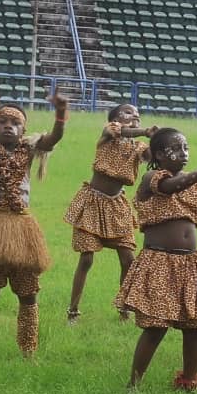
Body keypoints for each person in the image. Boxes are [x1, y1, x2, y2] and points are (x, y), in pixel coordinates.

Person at [117, 128, 197, 390]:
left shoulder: (196, 180)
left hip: (191, 263)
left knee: (196, 327)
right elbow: (173, 186)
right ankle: (133, 384)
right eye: (175, 149)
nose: (183, 153)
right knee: (156, 327)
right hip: (159, 263)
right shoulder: (152, 178)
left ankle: (189, 381)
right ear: (157, 154)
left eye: (186, 148)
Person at [0, 95, 66, 360]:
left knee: (28, 292)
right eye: (2, 121)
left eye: (15, 123)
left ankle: (28, 350)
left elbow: (53, 139)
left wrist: (61, 113)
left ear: (24, 130)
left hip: (22, 227)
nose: (9, 126)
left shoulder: (29, 149)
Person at [64, 104, 157, 324]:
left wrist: (159, 139)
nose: (134, 116)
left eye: (138, 115)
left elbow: (152, 154)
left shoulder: (138, 146)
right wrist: (144, 131)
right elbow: (120, 131)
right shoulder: (109, 133)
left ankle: (124, 307)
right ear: (115, 118)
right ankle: (73, 311)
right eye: (128, 113)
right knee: (86, 258)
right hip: (93, 202)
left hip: (117, 205)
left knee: (127, 258)